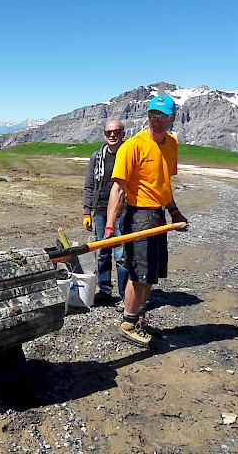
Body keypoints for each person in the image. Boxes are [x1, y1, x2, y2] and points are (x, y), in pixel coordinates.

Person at [103, 95, 188, 348]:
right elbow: (118, 189)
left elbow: (163, 183)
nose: (156, 121)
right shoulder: (133, 146)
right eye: (152, 115)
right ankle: (127, 323)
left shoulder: (171, 143)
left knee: (150, 274)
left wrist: (174, 211)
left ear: (172, 118)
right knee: (139, 273)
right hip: (138, 215)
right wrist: (109, 225)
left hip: (158, 215)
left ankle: (138, 317)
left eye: (161, 116)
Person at [82, 120, 128, 309]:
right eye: (108, 132)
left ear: (123, 133)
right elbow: (89, 185)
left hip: (124, 212)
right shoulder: (97, 157)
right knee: (103, 253)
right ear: (104, 134)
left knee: (121, 255)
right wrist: (87, 212)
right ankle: (105, 291)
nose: (112, 135)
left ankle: (126, 295)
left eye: (116, 131)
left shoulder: (129, 154)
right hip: (100, 211)